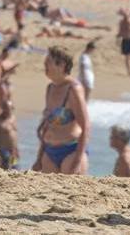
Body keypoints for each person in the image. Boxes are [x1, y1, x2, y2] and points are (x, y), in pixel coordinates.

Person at [33, 46, 89, 175]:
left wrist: (77, 160)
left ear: (61, 65)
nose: (44, 65)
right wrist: (39, 158)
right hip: (49, 151)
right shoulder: (50, 88)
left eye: (48, 63)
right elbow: (47, 125)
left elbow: (85, 126)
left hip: (70, 151)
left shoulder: (74, 89)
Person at [0, 99, 19, 170]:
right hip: (3, 151)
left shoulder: (13, 118)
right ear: (2, 109)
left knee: (15, 168)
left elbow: (15, 136)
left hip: (13, 151)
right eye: (6, 108)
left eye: (10, 109)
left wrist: (16, 149)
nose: (8, 111)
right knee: (6, 168)